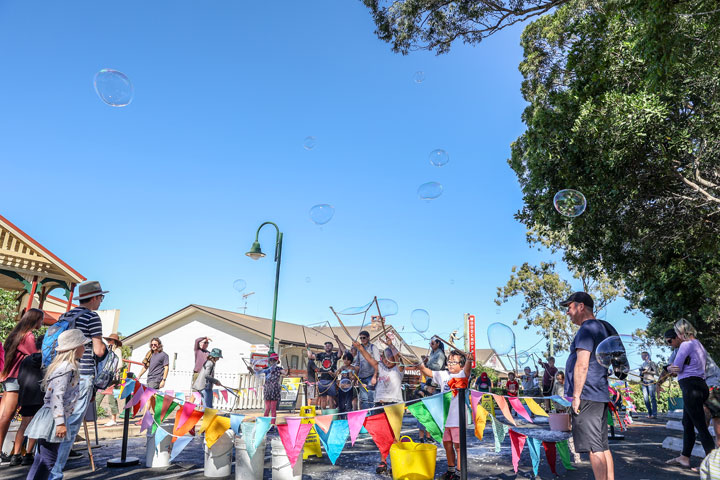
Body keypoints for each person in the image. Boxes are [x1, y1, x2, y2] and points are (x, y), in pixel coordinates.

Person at [561, 291, 617, 480]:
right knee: (602, 446)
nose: (567, 312)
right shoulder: (600, 328)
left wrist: (576, 396)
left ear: (580, 306)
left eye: (569, 307)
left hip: (587, 395)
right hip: (598, 394)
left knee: (594, 448)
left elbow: (582, 363)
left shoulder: (586, 329)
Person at [24, 329, 90, 480]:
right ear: (74, 348)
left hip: (52, 416)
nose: (84, 349)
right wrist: (60, 422)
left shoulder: (65, 367)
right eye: (82, 345)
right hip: (53, 418)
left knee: (42, 458)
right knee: (48, 460)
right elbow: (56, 396)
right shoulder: (67, 368)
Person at [666, 319, 715, 469]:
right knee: (687, 423)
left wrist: (668, 368)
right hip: (700, 385)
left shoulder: (686, 344)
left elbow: (677, 368)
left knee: (700, 426)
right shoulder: (698, 344)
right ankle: (684, 457)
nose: (676, 336)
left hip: (690, 387)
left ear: (681, 332)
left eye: (676, 332)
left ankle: (712, 464)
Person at [418, 348, 473, 480]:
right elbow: (429, 372)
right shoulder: (443, 374)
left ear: (461, 364)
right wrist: (420, 365)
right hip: (445, 417)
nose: (450, 364)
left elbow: (468, 369)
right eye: (449, 361)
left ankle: (460, 473)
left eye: (454, 362)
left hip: (458, 417)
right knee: (447, 444)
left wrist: (469, 360)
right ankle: (451, 470)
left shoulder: (462, 375)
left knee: (458, 447)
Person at [354, 337, 404, 474]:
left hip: (394, 405)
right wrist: (360, 348)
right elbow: (369, 359)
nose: (387, 361)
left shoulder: (399, 369)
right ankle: (383, 461)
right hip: (379, 404)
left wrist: (391, 345)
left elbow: (398, 358)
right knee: (382, 436)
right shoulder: (380, 366)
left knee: (394, 436)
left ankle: (394, 462)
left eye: (390, 358)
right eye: (385, 358)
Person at [0, 308, 44, 464]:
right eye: (40, 320)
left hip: (8, 376)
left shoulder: (16, 334)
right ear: (35, 320)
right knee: (7, 415)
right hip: (17, 378)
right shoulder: (28, 336)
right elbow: (36, 357)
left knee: (4, 415)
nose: (42, 322)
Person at [8, 335, 45, 467]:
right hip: (40, 396)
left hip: (26, 395)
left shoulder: (26, 359)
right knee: (36, 425)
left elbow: (20, 378)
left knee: (23, 425)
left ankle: (16, 455)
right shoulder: (47, 360)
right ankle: (28, 454)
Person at [95, 333, 123, 426]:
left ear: (115, 342)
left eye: (110, 340)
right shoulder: (106, 349)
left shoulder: (117, 350)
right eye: (108, 340)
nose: (108, 342)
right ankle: (92, 417)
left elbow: (120, 364)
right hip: (104, 378)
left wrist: (113, 370)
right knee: (98, 397)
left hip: (113, 379)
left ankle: (113, 419)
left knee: (112, 399)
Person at [307, 342, 339, 410]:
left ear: (332, 347)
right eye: (326, 346)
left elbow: (341, 353)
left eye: (329, 346)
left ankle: (331, 415)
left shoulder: (334, 355)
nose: (327, 347)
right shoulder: (321, 355)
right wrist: (308, 347)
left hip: (331, 379)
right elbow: (310, 356)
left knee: (331, 399)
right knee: (323, 399)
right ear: (324, 347)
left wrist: (337, 340)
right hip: (322, 380)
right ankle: (323, 415)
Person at [352, 331, 378, 410]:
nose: (362, 339)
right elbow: (357, 364)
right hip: (362, 377)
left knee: (371, 398)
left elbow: (377, 363)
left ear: (368, 338)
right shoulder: (359, 349)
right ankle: (366, 416)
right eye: (361, 338)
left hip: (371, 376)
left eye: (364, 338)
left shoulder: (373, 347)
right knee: (364, 399)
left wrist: (375, 376)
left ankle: (372, 416)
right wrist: (355, 378)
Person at [260, 353, 286, 424]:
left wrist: (286, 371)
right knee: (267, 408)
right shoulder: (267, 369)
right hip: (268, 389)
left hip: (274, 389)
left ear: (276, 361)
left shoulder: (279, 369)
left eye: (274, 360)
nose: (272, 362)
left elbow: (285, 373)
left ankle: (272, 424)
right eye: (271, 360)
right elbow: (258, 372)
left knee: (273, 409)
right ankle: (264, 424)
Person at [639, 351, 659, 418]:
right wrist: (641, 373)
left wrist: (648, 371)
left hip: (650, 381)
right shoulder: (642, 364)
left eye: (643, 356)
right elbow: (641, 373)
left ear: (647, 356)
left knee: (652, 398)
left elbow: (656, 373)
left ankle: (654, 414)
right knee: (645, 399)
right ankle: (649, 414)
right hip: (644, 382)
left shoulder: (651, 363)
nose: (642, 357)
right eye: (641, 356)